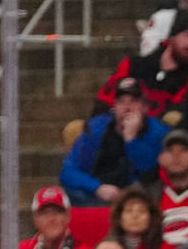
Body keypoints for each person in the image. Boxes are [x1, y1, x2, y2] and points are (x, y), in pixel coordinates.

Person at [62, 77, 169, 206]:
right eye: (121, 102)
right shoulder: (96, 128)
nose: (127, 108)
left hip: (140, 198)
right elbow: (68, 171)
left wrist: (131, 140)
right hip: (100, 195)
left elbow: (150, 174)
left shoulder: (159, 132)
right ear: (114, 106)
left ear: (145, 107)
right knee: (71, 193)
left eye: (133, 101)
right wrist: (97, 187)